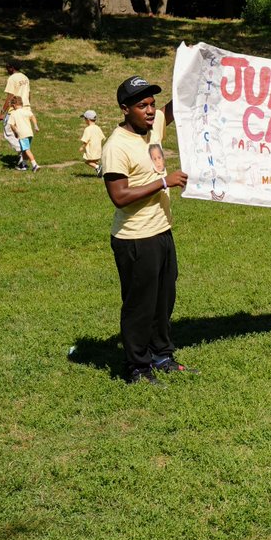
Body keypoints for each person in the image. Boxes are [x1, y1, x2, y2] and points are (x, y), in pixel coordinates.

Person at [101, 75, 191, 384]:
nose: (150, 110)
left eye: (152, 104)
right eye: (142, 105)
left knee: (164, 298)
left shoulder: (153, 129)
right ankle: (137, 367)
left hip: (162, 231)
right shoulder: (116, 145)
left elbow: (175, 107)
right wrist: (164, 182)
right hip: (135, 238)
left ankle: (161, 355)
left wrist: (193, 68)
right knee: (140, 305)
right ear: (125, 109)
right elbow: (119, 196)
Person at [0, 60, 30, 167]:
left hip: (15, 109)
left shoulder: (12, 78)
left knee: (7, 131)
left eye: (7, 67)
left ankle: (22, 150)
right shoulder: (25, 78)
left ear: (12, 68)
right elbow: (29, 94)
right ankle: (23, 161)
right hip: (26, 108)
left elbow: (10, 96)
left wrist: (2, 112)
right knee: (19, 133)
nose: (6, 69)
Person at [5, 96, 39, 171]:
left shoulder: (13, 114)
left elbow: (11, 125)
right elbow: (32, 117)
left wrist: (15, 132)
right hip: (30, 133)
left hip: (22, 134)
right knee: (24, 149)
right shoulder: (26, 111)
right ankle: (23, 165)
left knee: (26, 150)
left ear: (13, 105)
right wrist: (35, 126)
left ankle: (35, 165)